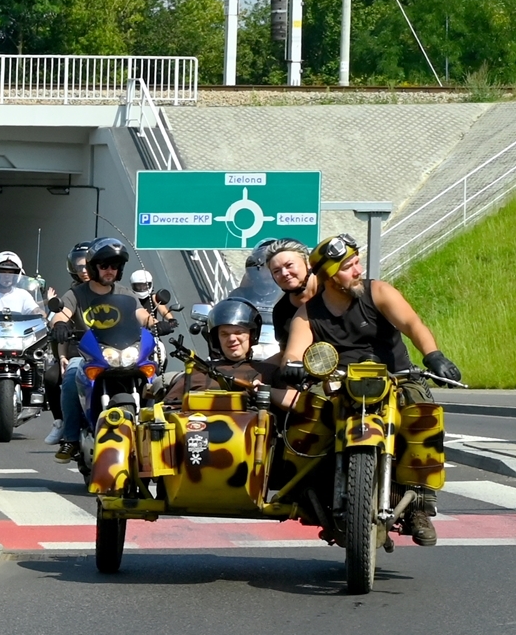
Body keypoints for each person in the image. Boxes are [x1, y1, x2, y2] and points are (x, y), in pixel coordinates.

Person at [283, 233, 462, 545]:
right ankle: (312, 495)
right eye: (347, 267)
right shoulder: (308, 314)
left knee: (422, 416)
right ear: (329, 277)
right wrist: (293, 365)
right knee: (307, 417)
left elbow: (412, 324)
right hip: (339, 385)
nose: (357, 270)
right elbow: (294, 352)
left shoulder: (378, 291)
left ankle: (419, 506)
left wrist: (434, 355)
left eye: (356, 263)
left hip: (396, 378)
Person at [53, 237, 151, 460]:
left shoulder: (126, 293)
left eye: (114, 266)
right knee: (71, 375)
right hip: (89, 355)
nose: (109, 270)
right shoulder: (76, 294)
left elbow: (142, 315)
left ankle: (153, 430)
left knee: (153, 376)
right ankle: (70, 439)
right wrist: (59, 324)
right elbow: (61, 314)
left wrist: (156, 323)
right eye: (104, 265)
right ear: (92, 267)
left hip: (123, 352)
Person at [164, 299, 285, 404]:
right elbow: (167, 408)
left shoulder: (269, 373)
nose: (232, 339)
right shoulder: (198, 370)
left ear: (252, 335)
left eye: (238, 332)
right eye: (224, 334)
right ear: (217, 339)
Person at [44, 241, 93, 443]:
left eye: (87, 265)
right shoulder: (73, 294)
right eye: (79, 266)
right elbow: (62, 319)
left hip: (113, 351)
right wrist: (62, 356)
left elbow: (138, 313)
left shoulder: (117, 291)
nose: (84, 271)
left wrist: (156, 323)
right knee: (52, 377)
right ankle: (63, 426)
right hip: (81, 351)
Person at [262, 238, 316, 354]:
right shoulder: (281, 311)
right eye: (276, 271)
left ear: (307, 263)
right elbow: (284, 354)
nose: (284, 273)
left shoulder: (331, 290)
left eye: (289, 265)